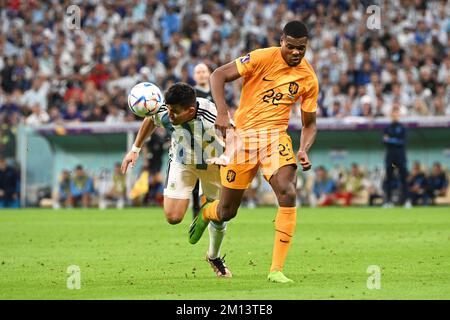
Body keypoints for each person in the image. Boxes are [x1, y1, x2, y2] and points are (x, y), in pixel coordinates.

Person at [189, 21, 318, 283]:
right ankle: (206, 212)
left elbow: (309, 123)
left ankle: (276, 270)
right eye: (291, 47)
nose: (295, 53)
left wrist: (303, 149)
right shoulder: (261, 58)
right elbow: (218, 75)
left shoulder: (308, 77)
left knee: (287, 189)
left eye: (301, 49)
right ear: (281, 41)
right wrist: (223, 111)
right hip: (243, 138)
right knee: (226, 211)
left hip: (275, 138)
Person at [121, 83, 234, 277]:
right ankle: (206, 211)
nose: (169, 115)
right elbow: (152, 118)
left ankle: (213, 256)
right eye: (168, 109)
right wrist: (135, 149)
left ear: (190, 110)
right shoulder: (166, 107)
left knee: (221, 214)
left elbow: (233, 135)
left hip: (213, 163)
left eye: (174, 112)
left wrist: (226, 157)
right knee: (173, 217)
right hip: (182, 163)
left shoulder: (210, 113)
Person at [191, 63, 214, 217]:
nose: (201, 74)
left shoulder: (216, 90)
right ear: (194, 76)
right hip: (196, 139)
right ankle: (195, 211)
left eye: (203, 71)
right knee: (196, 177)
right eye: (198, 72)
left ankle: (213, 209)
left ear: (209, 73)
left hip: (214, 140)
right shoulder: (191, 93)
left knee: (213, 176)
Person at [382, 107, 410, 208]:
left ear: (399, 115)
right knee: (389, 180)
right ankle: (388, 202)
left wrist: (390, 140)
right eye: (393, 114)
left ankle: (406, 201)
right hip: (391, 160)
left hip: (400, 159)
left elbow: (403, 142)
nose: (394, 116)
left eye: (396, 114)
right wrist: (394, 141)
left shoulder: (402, 128)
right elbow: (383, 141)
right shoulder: (387, 128)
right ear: (390, 115)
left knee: (404, 180)